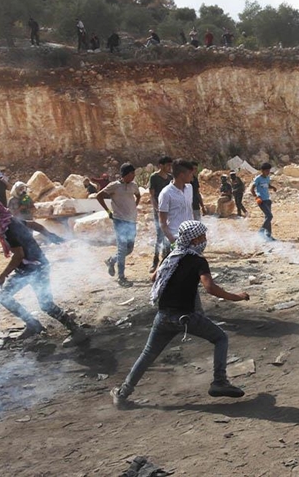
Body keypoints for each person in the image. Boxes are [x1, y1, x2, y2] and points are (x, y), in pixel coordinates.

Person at [110, 221, 249, 408]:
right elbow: (210, 287)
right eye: (202, 236)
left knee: (148, 354)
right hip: (185, 317)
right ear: (194, 239)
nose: (205, 240)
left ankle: (122, 393)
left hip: (163, 316)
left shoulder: (172, 257)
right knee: (220, 338)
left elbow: (153, 277)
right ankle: (219, 381)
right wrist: (236, 297)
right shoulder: (198, 261)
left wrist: (169, 268)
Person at [0, 198, 87, 346]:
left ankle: (76, 330)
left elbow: (18, 255)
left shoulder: (9, 228)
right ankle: (33, 325)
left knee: (46, 304)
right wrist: (50, 236)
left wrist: (2, 276)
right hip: (26, 269)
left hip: (37, 268)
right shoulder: (11, 221)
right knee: (4, 297)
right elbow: (35, 225)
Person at [97, 163, 142, 286]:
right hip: (119, 220)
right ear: (125, 174)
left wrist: (134, 207)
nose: (133, 176)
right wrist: (108, 211)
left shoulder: (133, 185)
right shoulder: (114, 186)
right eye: (132, 173)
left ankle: (111, 260)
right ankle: (121, 277)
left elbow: (138, 195)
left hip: (132, 221)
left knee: (129, 249)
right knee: (122, 249)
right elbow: (99, 196)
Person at [158, 160, 195, 261]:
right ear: (182, 175)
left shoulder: (189, 188)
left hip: (189, 239)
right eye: (190, 173)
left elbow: (190, 211)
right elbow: (162, 222)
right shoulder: (166, 193)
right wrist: (173, 241)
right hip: (174, 239)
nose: (192, 176)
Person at [148, 156, 174, 273]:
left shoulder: (170, 178)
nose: (169, 167)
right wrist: (157, 209)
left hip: (170, 211)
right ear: (161, 166)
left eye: (170, 165)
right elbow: (152, 196)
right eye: (167, 165)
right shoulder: (154, 177)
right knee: (160, 235)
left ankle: (166, 260)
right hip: (159, 211)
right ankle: (155, 261)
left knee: (169, 234)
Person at [251, 163, 277, 241]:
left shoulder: (268, 178)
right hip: (261, 200)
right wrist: (256, 197)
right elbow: (252, 189)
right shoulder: (258, 179)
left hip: (267, 199)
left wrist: (273, 187)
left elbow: (268, 185)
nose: (268, 172)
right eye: (266, 171)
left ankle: (268, 235)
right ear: (262, 171)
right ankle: (261, 231)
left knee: (267, 218)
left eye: (269, 170)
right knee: (269, 216)